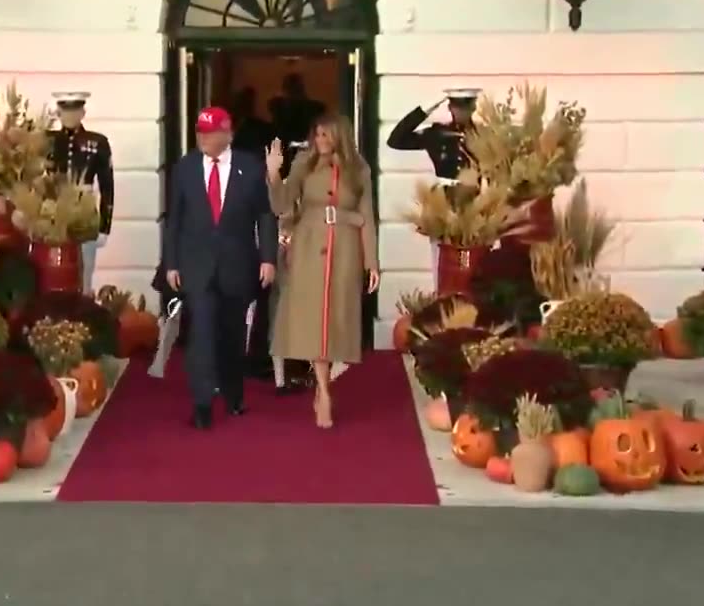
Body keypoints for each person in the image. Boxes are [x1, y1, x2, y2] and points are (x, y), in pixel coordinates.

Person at [163, 106, 278, 430]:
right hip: (197, 266)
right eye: (200, 132)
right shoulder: (185, 168)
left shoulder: (249, 167)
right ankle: (201, 404)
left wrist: (268, 258)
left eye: (210, 132)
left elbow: (265, 216)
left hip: (237, 264)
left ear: (227, 134)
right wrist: (171, 263)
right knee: (201, 334)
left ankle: (233, 394)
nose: (203, 137)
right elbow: (175, 219)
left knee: (232, 334)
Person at [265, 113, 380, 429]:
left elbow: (367, 215)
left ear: (340, 136)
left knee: (337, 318)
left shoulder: (359, 169)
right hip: (308, 245)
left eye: (327, 135)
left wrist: (372, 261)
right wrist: (274, 174)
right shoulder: (304, 162)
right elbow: (282, 204)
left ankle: (323, 385)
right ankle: (325, 391)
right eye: (317, 135)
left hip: (345, 248)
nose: (321, 141)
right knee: (314, 319)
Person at [385, 88, 479, 285]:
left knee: (475, 254)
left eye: (465, 107)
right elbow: (396, 140)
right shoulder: (438, 133)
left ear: (474, 107)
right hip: (444, 200)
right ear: (450, 107)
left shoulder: (484, 135)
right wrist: (426, 109)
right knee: (441, 253)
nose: (460, 112)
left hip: (474, 200)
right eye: (456, 106)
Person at [49, 91, 114, 293]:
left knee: (85, 268)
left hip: (84, 209)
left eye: (75, 110)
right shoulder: (47, 140)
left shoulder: (97, 142)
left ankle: (83, 311)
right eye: (65, 111)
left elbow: (107, 186)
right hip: (53, 210)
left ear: (83, 112)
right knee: (54, 266)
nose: (70, 116)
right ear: (58, 113)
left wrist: (104, 225)